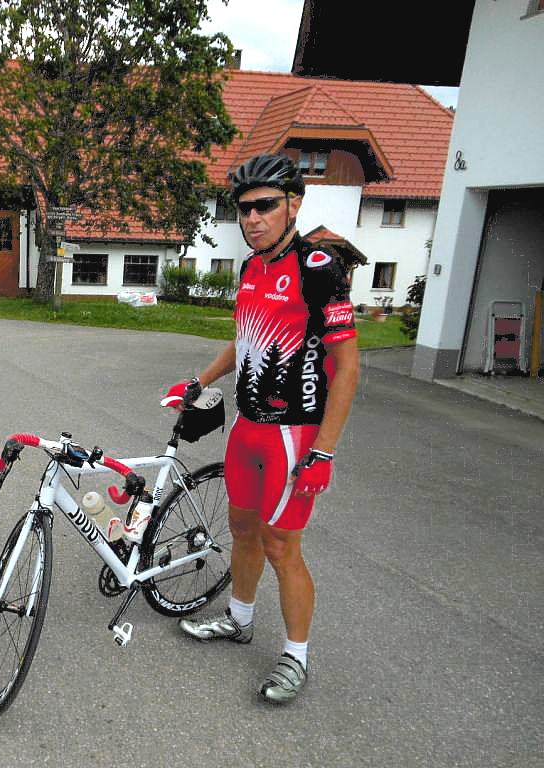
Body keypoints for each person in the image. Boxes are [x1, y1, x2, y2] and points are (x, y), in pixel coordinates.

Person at [176, 154, 360, 702]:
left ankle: (296, 656)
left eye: (265, 206)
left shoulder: (320, 268)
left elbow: (347, 368)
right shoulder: (251, 268)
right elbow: (246, 339)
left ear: (294, 205)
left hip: (294, 437)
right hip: (247, 431)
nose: (252, 218)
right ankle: (239, 618)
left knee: (283, 547)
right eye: (244, 209)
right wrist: (201, 378)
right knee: (241, 532)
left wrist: (324, 452)